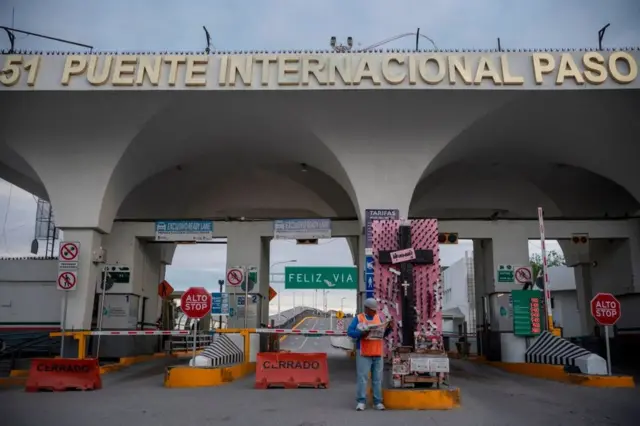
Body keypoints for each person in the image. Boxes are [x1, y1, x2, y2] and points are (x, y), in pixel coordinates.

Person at [347, 298, 393, 411]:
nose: (374, 312)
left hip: (377, 352)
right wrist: (361, 333)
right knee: (362, 378)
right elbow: (350, 332)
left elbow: (383, 334)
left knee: (377, 379)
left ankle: (377, 402)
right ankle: (361, 401)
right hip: (363, 352)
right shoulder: (358, 318)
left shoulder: (379, 317)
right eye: (372, 310)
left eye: (375, 310)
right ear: (366, 309)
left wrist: (388, 329)